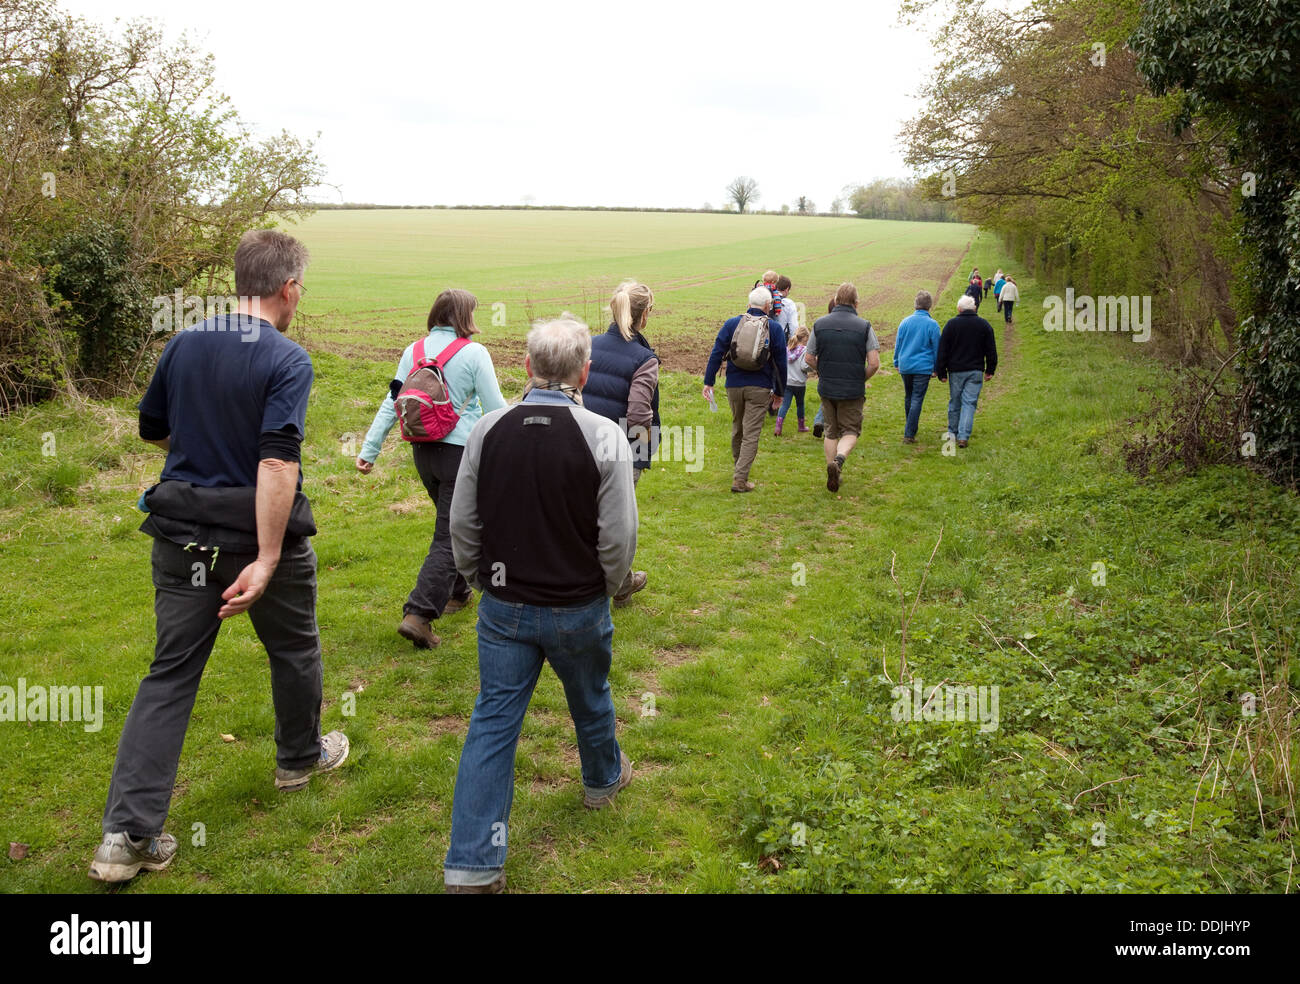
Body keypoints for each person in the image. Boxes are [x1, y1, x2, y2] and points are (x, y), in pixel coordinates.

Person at [91, 229, 347, 883]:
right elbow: (276, 462)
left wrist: (201, 448)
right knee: (293, 648)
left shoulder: (183, 343)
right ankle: (298, 759)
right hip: (260, 542)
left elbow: (154, 430)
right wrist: (264, 557)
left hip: (180, 536)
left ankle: (125, 840)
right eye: (301, 289)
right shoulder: (287, 359)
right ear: (288, 288)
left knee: (169, 674)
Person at [443, 316, 638, 894]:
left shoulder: (485, 430)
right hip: (577, 606)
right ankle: (603, 781)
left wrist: (478, 578)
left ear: (526, 368)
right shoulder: (604, 435)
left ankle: (473, 867)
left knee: (493, 723)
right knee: (591, 695)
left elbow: (463, 521)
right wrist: (604, 585)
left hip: (504, 608)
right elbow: (618, 538)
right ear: (585, 370)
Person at [356, 289, 506, 649]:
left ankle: (457, 594)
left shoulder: (414, 351)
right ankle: (419, 615)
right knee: (451, 536)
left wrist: (369, 449)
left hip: (423, 454)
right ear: (466, 317)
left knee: (450, 522)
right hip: (460, 457)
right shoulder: (474, 353)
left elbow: (391, 402)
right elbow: (496, 407)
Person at [583, 280, 658, 607]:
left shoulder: (586, 345)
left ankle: (615, 581)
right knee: (619, 521)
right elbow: (639, 414)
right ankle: (621, 585)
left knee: (585, 512)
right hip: (623, 447)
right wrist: (641, 455)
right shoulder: (644, 357)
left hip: (581, 441)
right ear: (643, 317)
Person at [702, 286, 787, 492]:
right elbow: (781, 363)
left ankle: (739, 469)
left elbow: (716, 353)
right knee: (751, 433)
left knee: (737, 427)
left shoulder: (732, 323)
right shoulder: (774, 328)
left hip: (733, 385)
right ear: (768, 306)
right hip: (759, 387)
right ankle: (740, 479)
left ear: (748, 304)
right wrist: (780, 392)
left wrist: (708, 381)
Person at [805, 283, 881, 492]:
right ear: (857, 303)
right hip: (852, 390)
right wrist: (860, 378)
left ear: (836, 301)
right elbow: (874, 363)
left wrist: (824, 370)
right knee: (850, 430)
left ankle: (833, 472)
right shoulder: (865, 326)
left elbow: (809, 357)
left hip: (827, 387)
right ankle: (838, 462)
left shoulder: (819, 324)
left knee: (830, 431)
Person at [935, 294, 998, 448]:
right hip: (975, 371)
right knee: (969, 403)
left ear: (959, 309)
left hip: (955, 371)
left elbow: (943, 350)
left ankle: (953, 433)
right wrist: (990, 369)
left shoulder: (951, 325)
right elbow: (991, 350)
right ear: (974, 308)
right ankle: (963, 436)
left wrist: (941, 371)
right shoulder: (984, 325)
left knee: (955, 402)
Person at [892, 290, 941, 444]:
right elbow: (937, 348)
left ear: (915, 304)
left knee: (909, 396)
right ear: (929, 306)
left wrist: (896, 362)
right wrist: (936, 368)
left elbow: (898, 344)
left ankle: (910, 427)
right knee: (917, 398)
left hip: (906, 365)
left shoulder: (904, 322)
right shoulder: (932, 325)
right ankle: (909, 433)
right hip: (923, 367)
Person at [776, 324, 811, 435]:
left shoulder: (788, 349)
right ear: (805, 337)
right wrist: (811, 368)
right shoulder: (805, 350)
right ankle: (801, 426)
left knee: (785, 405)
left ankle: (778, 427)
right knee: (800, 404)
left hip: (788, 382)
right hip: (800, 383)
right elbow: (804, 366)